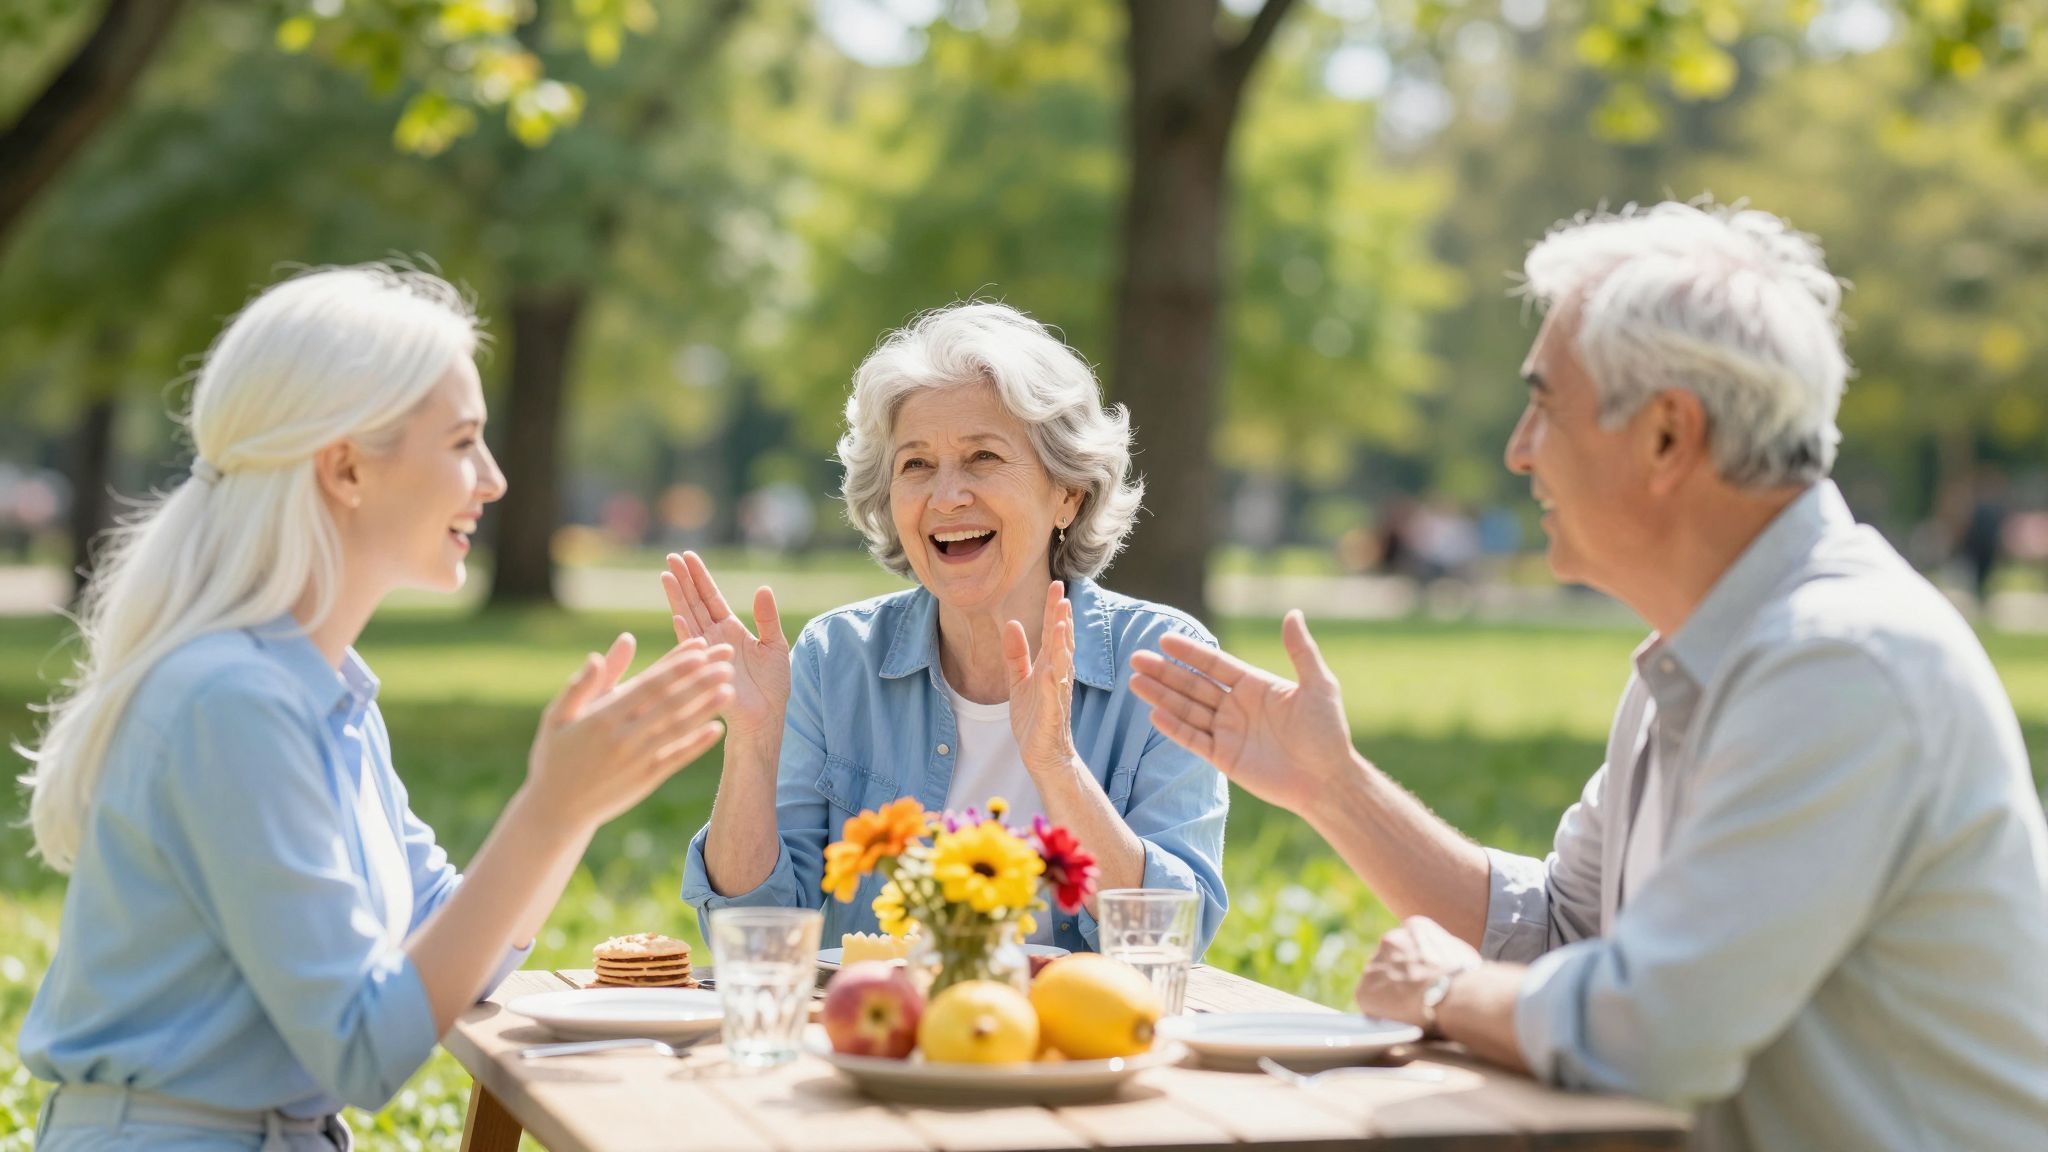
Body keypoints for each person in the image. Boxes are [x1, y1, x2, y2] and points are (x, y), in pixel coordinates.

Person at [1130, 203, 2048, 1149]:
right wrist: (1335, 789)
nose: (1518, 449)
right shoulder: (1699, 656)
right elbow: (1564, 932)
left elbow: (1654, 1030)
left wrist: (1444, 991)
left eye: (1545, 406)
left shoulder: (1842, 663)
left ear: (1665, 437)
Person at [18, 266, 737, 1150]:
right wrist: (548, 811)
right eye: (465, 441)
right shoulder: (230, 703)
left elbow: (452, 941)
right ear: (348, 467)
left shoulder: (322, 687)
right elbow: (365, 1048)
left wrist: (579, 803)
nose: (496, 479)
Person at [674, 302, 1228, 955]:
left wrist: (1056, 766)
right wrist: (752, 743)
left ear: (1068, 493)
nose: (946, 497)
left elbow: (1167, 939)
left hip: (1071, 1046)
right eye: (915, 465)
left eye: (982, 457)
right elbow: (753, 940)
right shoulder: (834, 659)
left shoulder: (1165, 663)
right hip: (882, 1046)